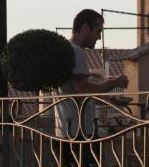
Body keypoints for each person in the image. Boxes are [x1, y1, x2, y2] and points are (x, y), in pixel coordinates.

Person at [54, 8, 129, 139]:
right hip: (80, 133)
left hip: (65, 130)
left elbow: (77, 95)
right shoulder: (76, 52)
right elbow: (85, 91)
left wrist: (108, 101)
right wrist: (116, 82)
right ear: (85, 28)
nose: (99, 37)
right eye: (98, 31)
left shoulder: (64, 50)